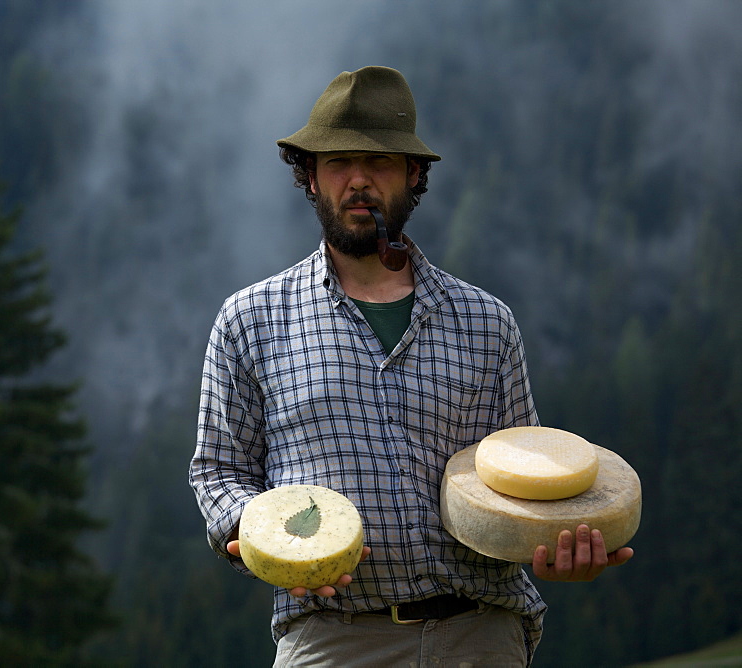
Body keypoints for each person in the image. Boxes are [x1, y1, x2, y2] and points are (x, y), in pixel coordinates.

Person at [189, 66, 633, 667]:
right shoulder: (251, 319)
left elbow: (525, 483)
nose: (360, 181)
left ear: (414, 174)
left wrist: (558, 544)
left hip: (480, 635)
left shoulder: (487, 322)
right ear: (311, 178)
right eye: (338, 163)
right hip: (331, 638)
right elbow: (219, 473)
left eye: (382, 162)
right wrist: (272, 541)